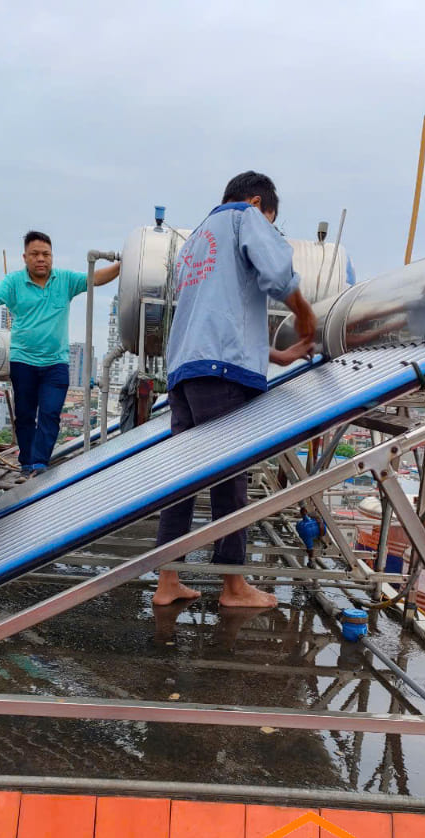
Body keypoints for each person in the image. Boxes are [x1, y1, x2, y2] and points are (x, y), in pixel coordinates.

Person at [152, 171, 316, 608]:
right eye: (272, 220)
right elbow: (278, 272)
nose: (269, 227)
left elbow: (217, 310)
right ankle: (233, 586)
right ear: (258, 202)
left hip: (186, 371)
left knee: (183, 480)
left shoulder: (195, 240)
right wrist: (302, 312)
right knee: (231, 479)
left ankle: (167, 582)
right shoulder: (245, 217)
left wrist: (274, 356)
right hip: (221, 373)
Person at [0, 231, 120, 479]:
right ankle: (27, 463)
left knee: (50, 412)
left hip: (56, 363)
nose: (41, 259)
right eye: (35, 254)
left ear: (52, 257)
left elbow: (95, 278)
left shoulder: (65, 280)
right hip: (23, 361)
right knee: (26, 415)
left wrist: (125, 264)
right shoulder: (15, 282)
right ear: (25, 257)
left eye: (46, 254)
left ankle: (39, 464)